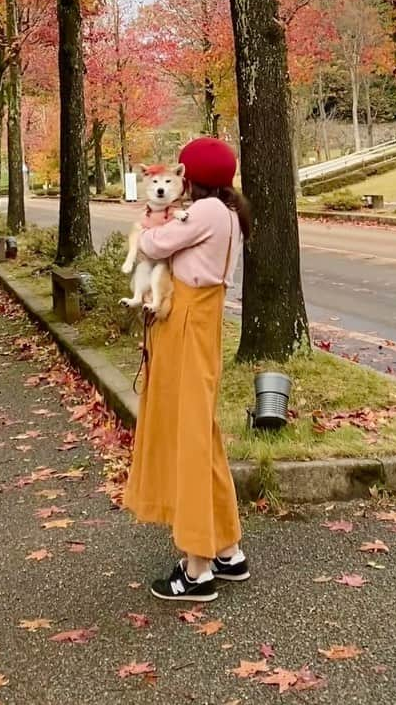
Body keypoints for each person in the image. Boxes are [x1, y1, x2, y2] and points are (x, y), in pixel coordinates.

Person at [123, 136, 250, 603]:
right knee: (203, 433)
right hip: (201, 318)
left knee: (190, 435)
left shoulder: (205, 212)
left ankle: (197, 568)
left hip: (186, 323)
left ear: (190, 176)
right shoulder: (227, 210)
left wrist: (150, 227)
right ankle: (226, 549)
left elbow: (155, 242)